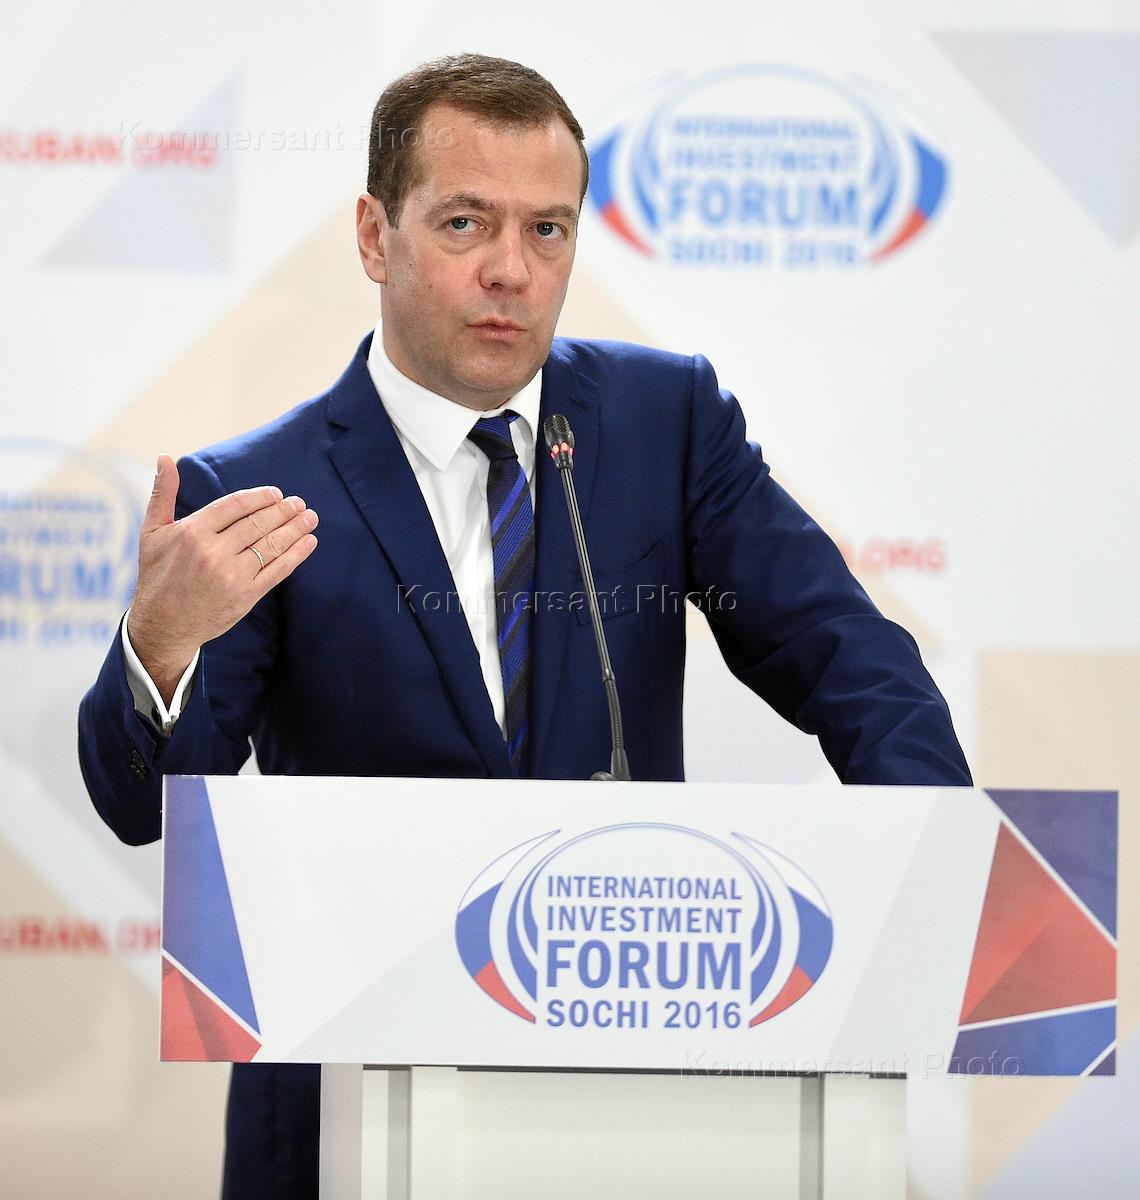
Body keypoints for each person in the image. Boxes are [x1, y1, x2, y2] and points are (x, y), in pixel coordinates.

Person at [78, 53, 971, 1199]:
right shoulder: (254, 492)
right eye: (465, 223)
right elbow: (146, 811)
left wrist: (937, 867)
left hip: (628, 1099)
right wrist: (159, 647)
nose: (511, 269)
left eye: (548, 230)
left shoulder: (665, 423)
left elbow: (846, 657)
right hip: (351, 1098)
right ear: (374, 236)